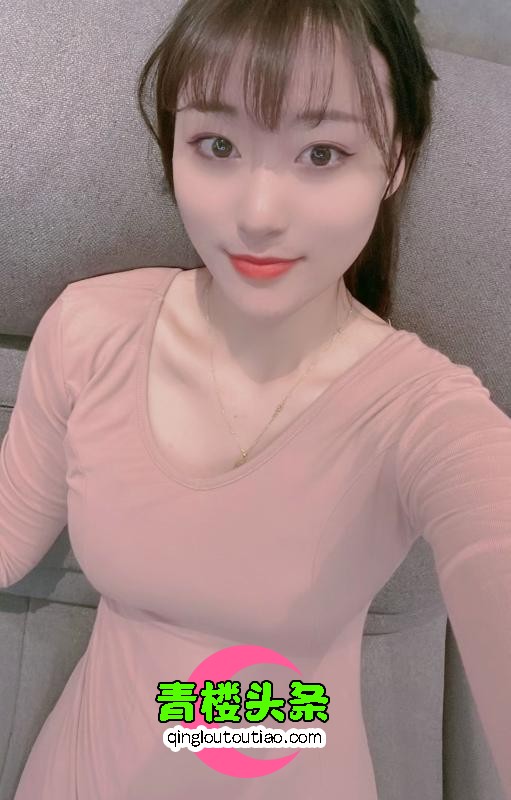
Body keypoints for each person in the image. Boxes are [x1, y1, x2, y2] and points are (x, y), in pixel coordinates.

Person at [2, 1, 510, 798]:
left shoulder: (422, 410)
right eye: (217, 145)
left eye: (321, 152)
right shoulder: (90, 330)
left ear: (394, 160)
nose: (257, 215)